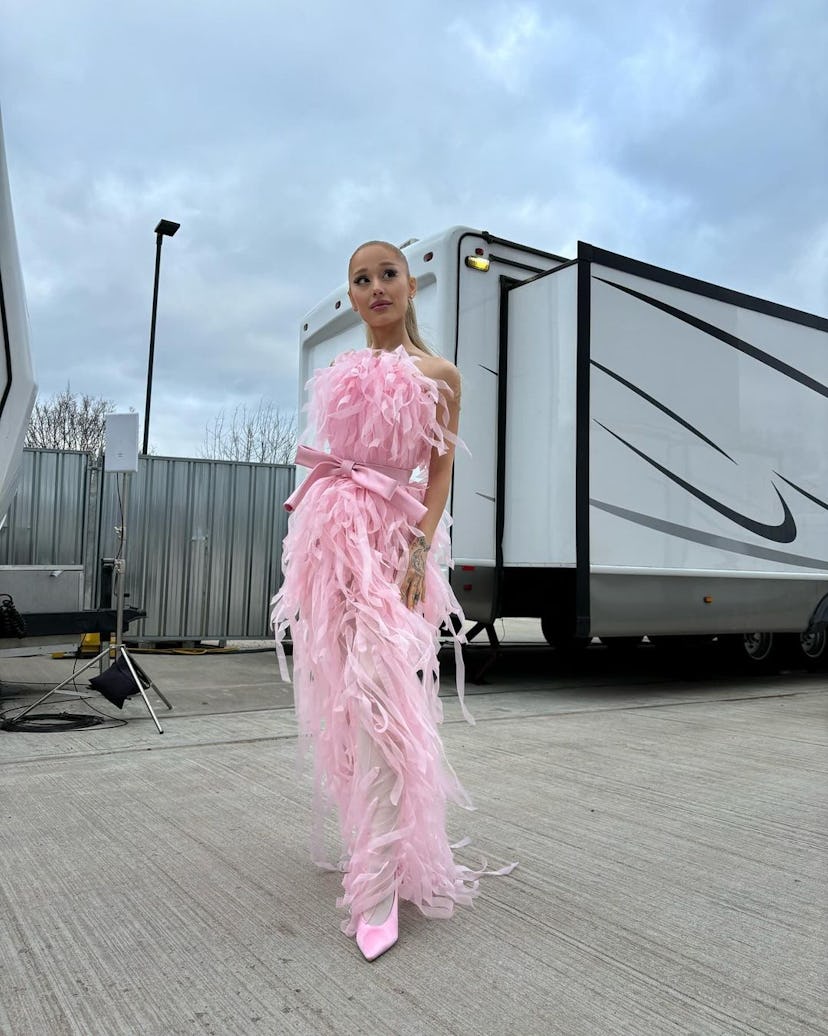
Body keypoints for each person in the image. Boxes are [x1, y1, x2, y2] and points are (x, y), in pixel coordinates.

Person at [271, 240, 500, 962]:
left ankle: (377, 886)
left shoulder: (440, 374)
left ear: (409, 287)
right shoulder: (337, 372)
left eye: (387, 275)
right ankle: (375, 849)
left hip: (395, 548)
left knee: (385, 699)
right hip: (333, 542)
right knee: (349, 700)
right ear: (352, 295)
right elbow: (330, 461)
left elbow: (439, 473)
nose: (375, 288)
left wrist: (421, 547)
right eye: (361, 279)